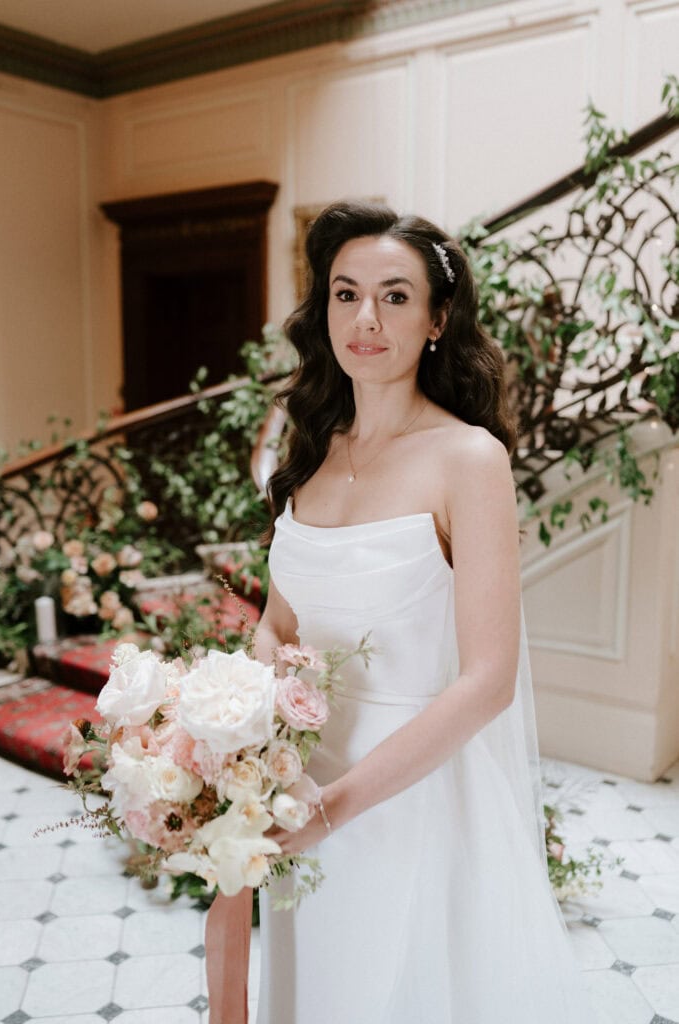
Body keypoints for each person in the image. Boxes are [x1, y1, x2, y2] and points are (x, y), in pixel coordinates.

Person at [207, 200, 593, 1023]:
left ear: (435, 319)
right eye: (345, 294)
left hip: (410, 793)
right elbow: (280, 623)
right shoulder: (310, 450)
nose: (365, 318)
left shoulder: (467, 457)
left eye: (393, 295)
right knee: (317, 987)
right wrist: (225, 741)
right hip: (292, 782)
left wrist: (331, 809)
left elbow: (487, 681)